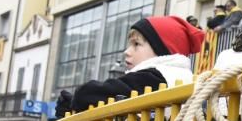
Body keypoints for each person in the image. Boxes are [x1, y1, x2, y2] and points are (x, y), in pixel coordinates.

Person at [69, 16, 205, 112]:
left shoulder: (156, 77)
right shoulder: (176, 76)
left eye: (136, 44)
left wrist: (72, 100)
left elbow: (89, 93)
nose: (127, 52)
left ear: (162, 50)